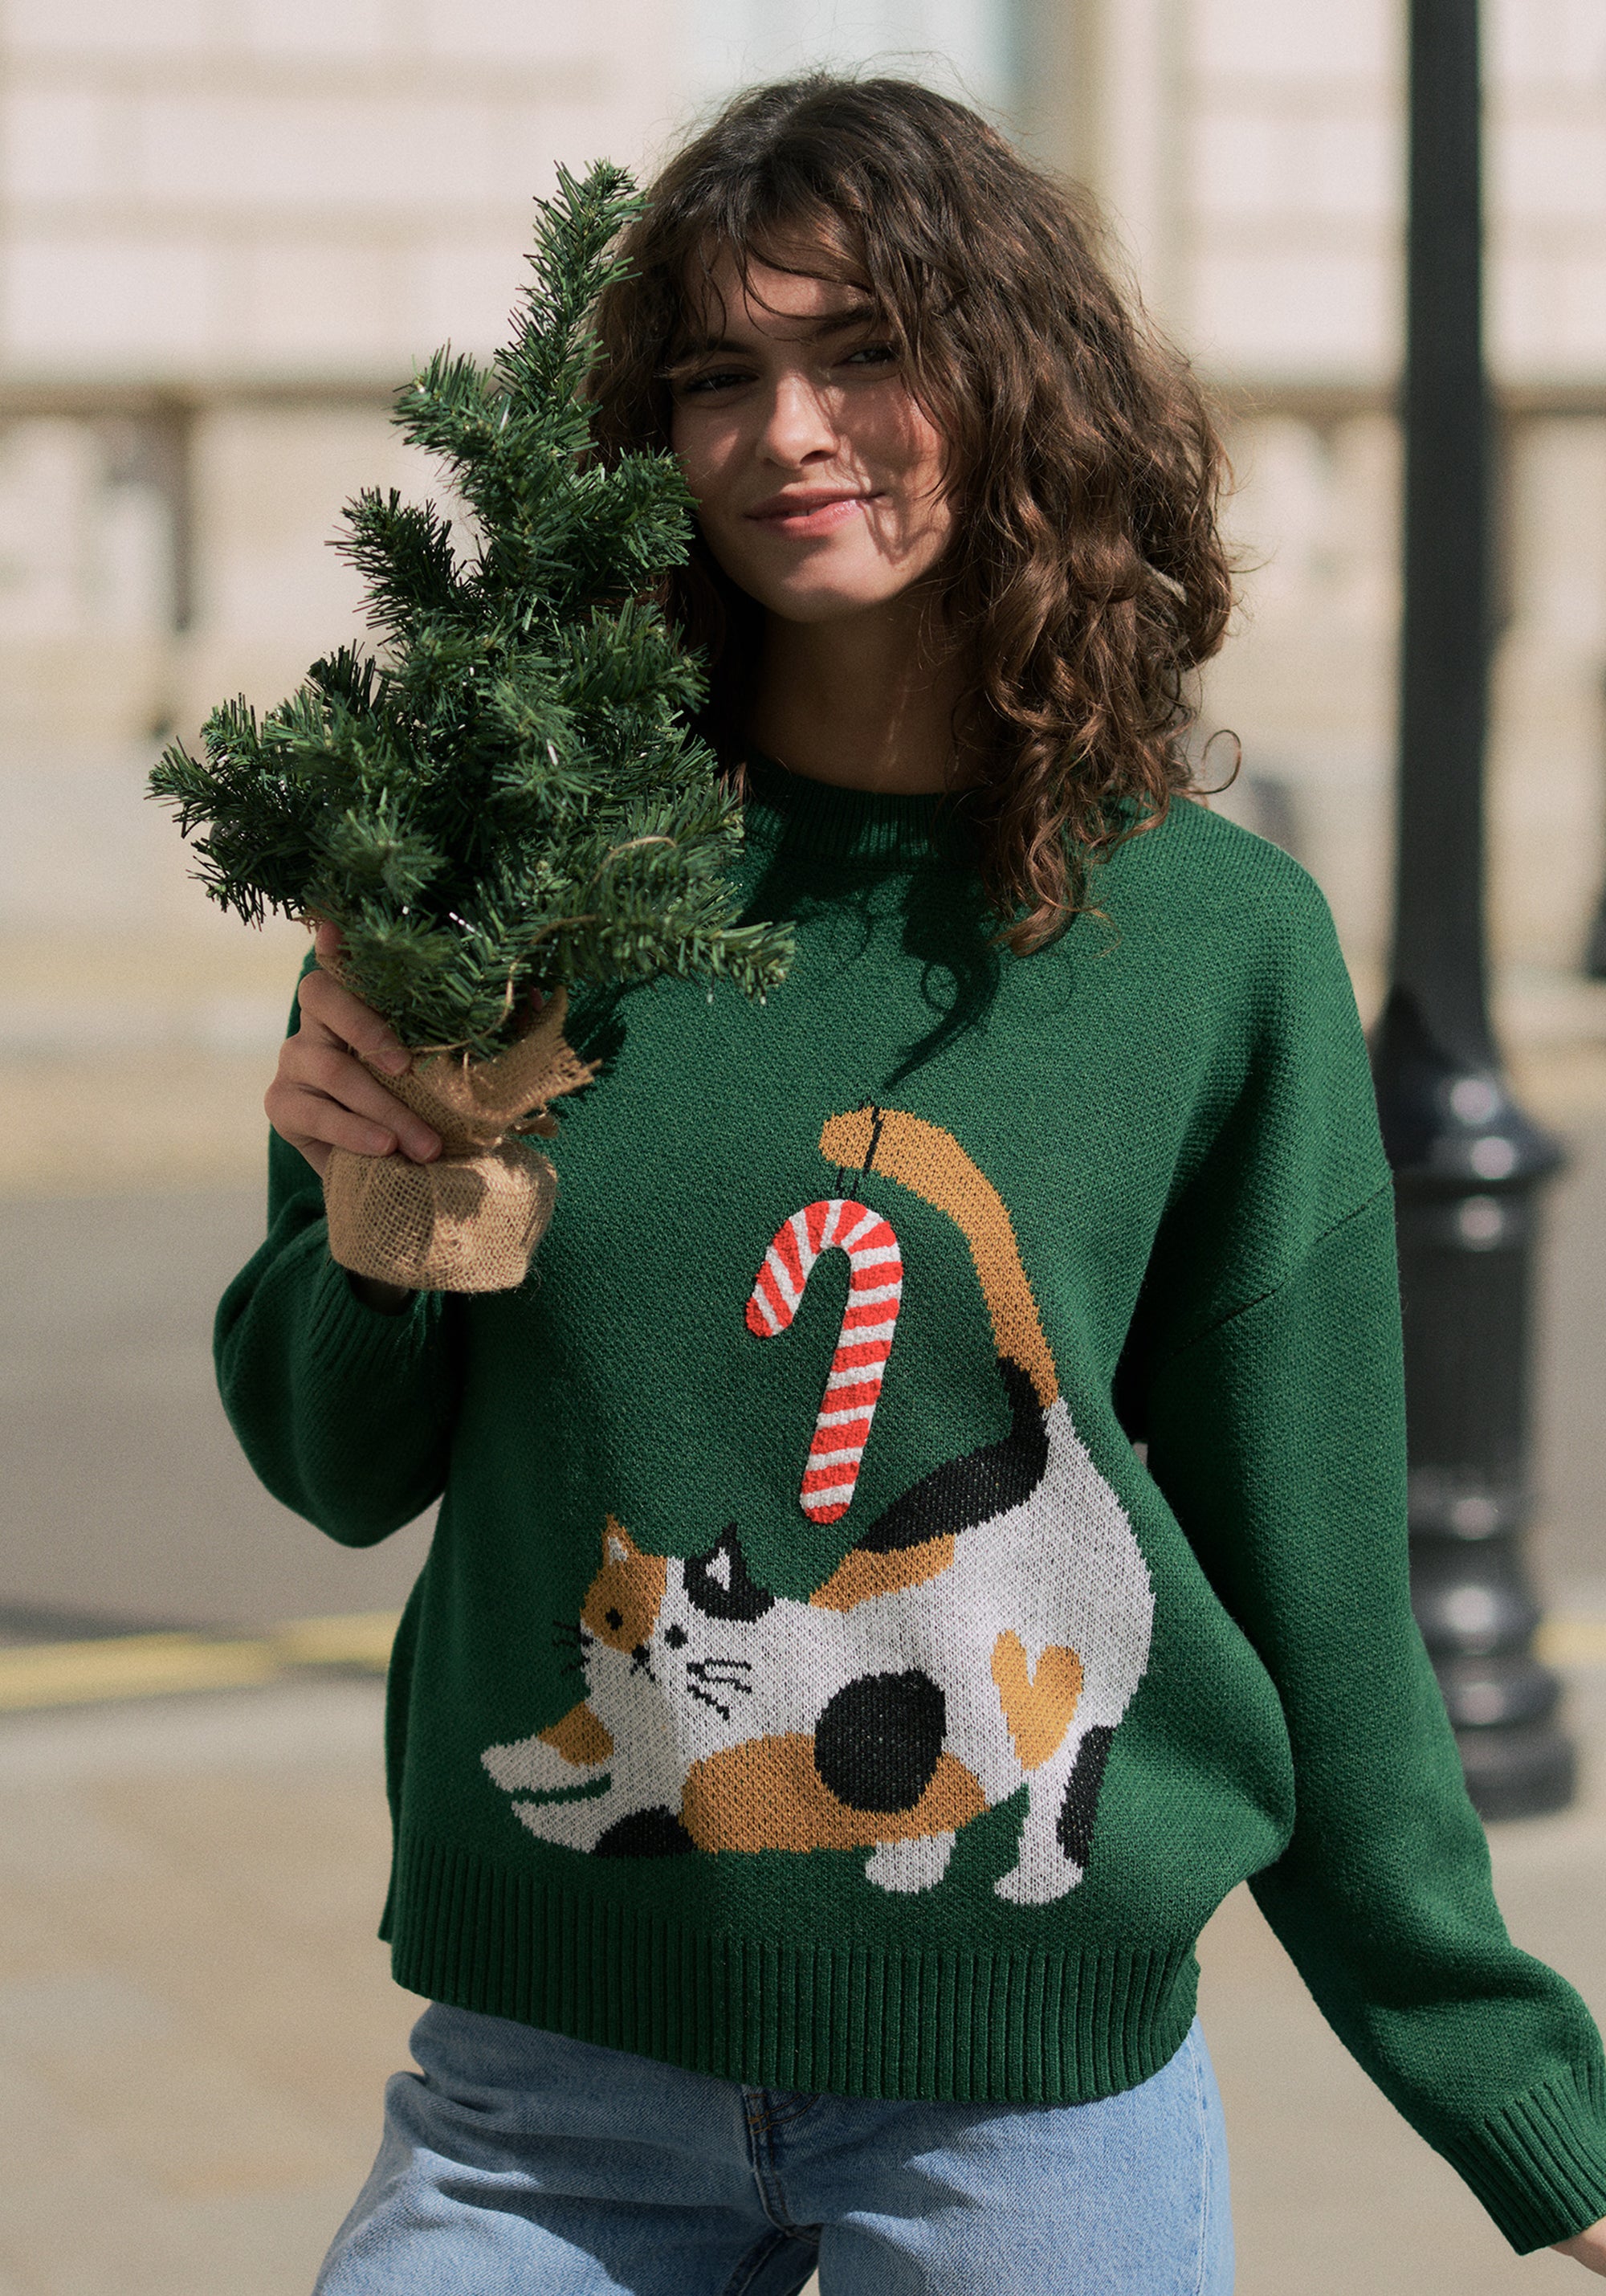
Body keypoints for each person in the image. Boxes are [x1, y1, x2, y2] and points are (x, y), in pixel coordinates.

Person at [218, 75, 1606, 2293]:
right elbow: (331, 1459)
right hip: (542, 2089)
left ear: (1020, 386)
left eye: (866, 351)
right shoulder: (523, 878)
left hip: (1023, 2106)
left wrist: (1525, 2102)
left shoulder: (1212, 948)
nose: (788, 432)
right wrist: (375, 1221)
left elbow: (1323, 1600)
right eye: (719, 375)